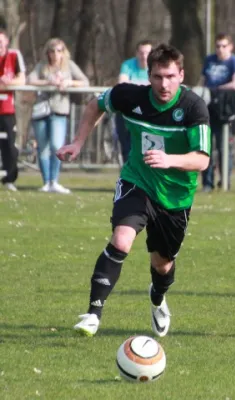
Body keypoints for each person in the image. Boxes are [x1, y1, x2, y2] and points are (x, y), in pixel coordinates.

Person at [56, 44, 211, 337]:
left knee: (163, 266)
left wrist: (170, 160)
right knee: (121, 239)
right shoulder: (129, 95)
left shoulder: (193, 107)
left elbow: (202, 159)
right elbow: (95, 105)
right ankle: (93, 314)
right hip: (137, 181)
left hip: (175, 197)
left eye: (169, 76)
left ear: (181, 75)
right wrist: (77, 142)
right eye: (157, 77)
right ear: (148, 76)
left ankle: (157, 298)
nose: (163, 84)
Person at [28, 38, 89, 194]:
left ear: (64, 52)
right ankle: (46, 182)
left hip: (60, 111)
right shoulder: (42, 66)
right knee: (43, 148)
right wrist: (48, 82)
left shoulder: (69, 66)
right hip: (41, 111)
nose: (56, 54)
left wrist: (69, 83)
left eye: (59, 50)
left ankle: (54, 181)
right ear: (47, 52)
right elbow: (30, 80)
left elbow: (84, 81)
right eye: (52, 51)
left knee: (57, 145)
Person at [200, 33, 235, 192]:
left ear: (230, 46)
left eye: (224, 46)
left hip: (226, 109)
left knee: (225, 148)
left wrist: (217, 89)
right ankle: (207, 183)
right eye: (218, 46)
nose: (220, 49)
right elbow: (203, 81)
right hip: (208, 108)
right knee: (206, 147)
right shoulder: (209, 60)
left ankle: (225, 182)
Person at [116, 39, 152, 164]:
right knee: (127, 147)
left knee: (148, 148)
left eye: (147, 53)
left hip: (148, 113)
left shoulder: (156, 67)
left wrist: (135, 88)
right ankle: (128, 177)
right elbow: (122, 85)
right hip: (127, 111)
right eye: (141, 53)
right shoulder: (127, 65)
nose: (144, 56)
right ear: (137, 53)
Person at [0, 29, 25, 191]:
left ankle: (9, 178)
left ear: (7, 42)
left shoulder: (14, 56)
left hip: (7, 109)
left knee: (9, 144)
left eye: (1, 41)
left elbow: (22, 79)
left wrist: (9, 82)